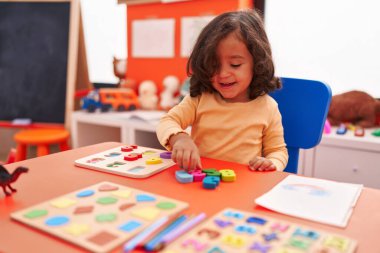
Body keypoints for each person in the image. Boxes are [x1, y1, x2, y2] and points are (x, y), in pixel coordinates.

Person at [156, 9, 288, 172]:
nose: (223, 74)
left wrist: (272, 163)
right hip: (201, 183)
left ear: (257, 63)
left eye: (235, 65)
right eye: (213, 65)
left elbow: (278, 151)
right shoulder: (199, 98)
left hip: (243, 188)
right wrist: (180, 138)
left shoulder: (268, 107)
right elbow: (167, 121)